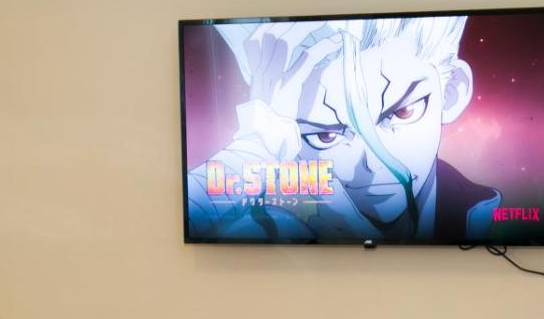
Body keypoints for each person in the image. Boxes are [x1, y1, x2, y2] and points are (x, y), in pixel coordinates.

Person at [186, 16, 500, 242]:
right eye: (325, 135)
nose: (373, 164)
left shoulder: (495, 221)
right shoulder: (270, 225)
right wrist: (257, 142)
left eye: (402, 112)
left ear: (452, 91)